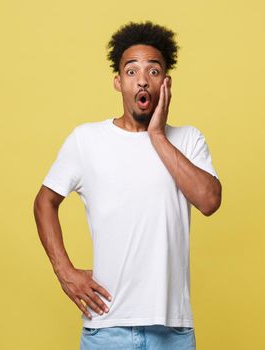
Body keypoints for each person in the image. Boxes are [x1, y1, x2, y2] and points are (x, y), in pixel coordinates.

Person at [33, 20, 222, 350]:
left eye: (153, 70)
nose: (142, 80)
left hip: (173, 331)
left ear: (165, 82)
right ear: (118, 82)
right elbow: (44, 202)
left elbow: (208, 200)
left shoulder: (188, 140)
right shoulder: (86, 140)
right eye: (132, 71)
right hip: (107, 330)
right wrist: (65, 272)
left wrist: (158, 137)